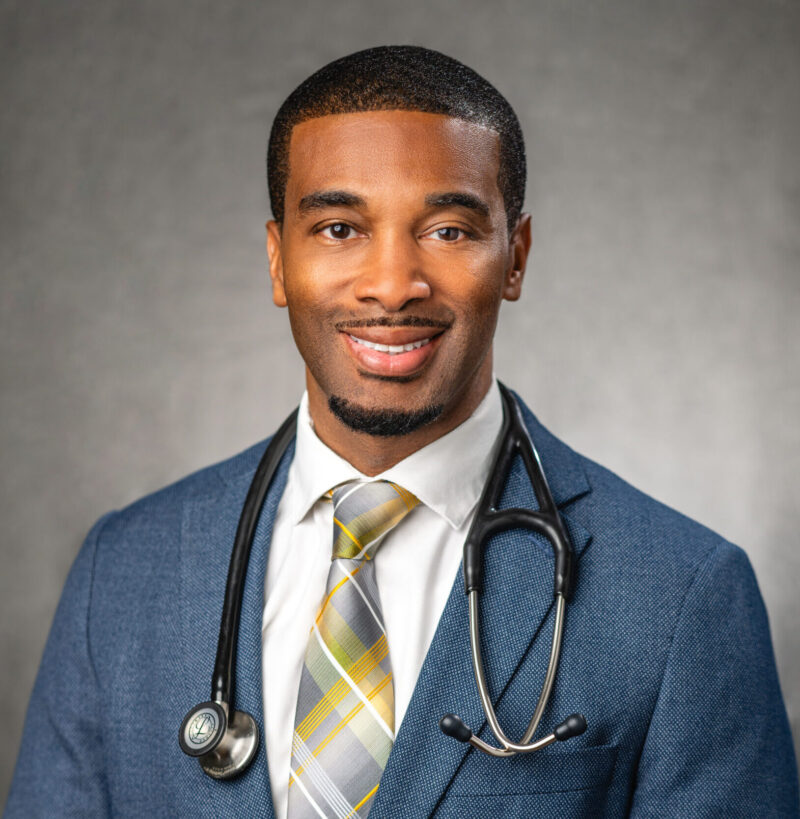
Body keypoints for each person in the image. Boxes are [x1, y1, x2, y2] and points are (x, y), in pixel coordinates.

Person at [5, 45, 798, 819]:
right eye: (339, 229)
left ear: (515, 258)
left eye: (448, 230)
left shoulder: (680, 595)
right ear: (278, 261)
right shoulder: (123, 572)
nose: (391, 285)